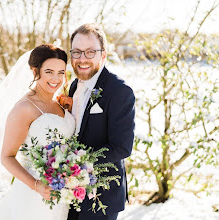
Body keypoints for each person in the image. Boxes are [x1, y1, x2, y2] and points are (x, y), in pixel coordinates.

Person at [0, 44, 75, 220]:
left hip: (62, 194)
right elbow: (7, 157)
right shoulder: (24, 108)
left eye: (61, 72)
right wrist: (36, 185)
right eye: (49, 72)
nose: (56, 78)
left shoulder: (61, 103)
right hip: (33, 196)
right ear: (34, 71)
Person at [66, 23, 135, 220]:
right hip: (69, 192)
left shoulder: (120, 91)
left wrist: (75, 164)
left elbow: (122, 147)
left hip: (101, 197)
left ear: (103, 54)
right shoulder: (73, 87)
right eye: (77, 52)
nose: (82, 59)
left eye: (90, 52)